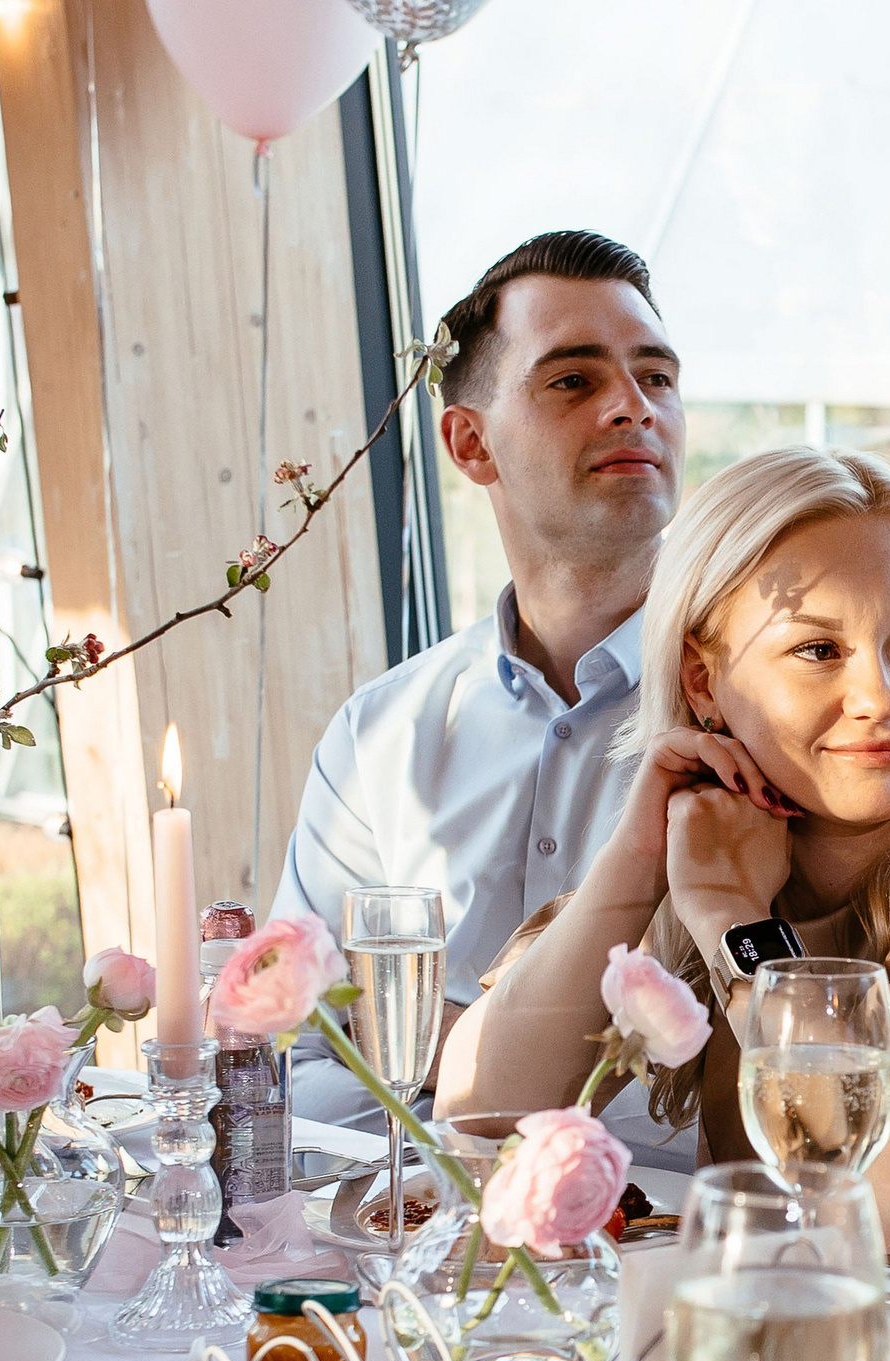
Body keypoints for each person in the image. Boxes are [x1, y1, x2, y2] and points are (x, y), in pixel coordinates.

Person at [437, 445, 890, 1254]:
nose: (881, 699)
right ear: (704, 682)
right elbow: (480, 1112)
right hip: (765, 1342)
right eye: (820, 650)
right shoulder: (725, 847)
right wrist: (634, 864)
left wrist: (741, 929)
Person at [272, 232, 681, 1132]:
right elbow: (294, 1065)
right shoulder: (375, 738)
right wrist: (472, 1123)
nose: (633, 407)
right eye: (574, 380)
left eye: (656, 376)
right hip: (421, 1242)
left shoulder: (773, 716)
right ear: (469, 442)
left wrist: (439, 1045)